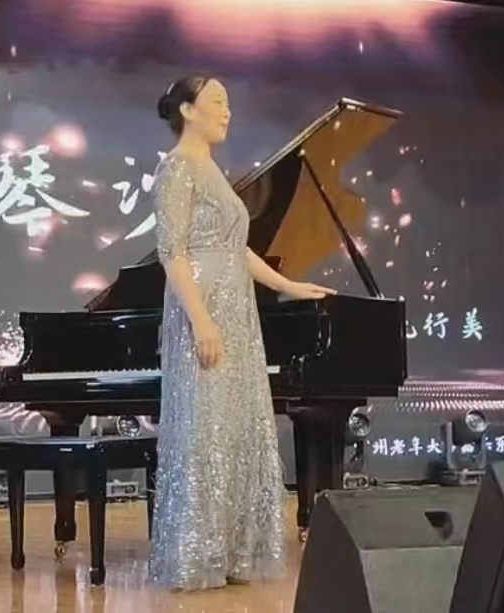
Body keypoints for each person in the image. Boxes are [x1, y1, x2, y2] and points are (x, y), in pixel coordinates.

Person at [147, 75, 336, 592]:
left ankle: (227, 549)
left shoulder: (211, 169)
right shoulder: (177, 168)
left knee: (232, 428)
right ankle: (194, 554)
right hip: (204, 307)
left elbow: (236, 249)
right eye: (217, 101)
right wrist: (201, 321)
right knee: (205, 429)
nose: (227, 111)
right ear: (188, 110)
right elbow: (172, 252)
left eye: (228, 102)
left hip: (236, 310)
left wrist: (287, 285)